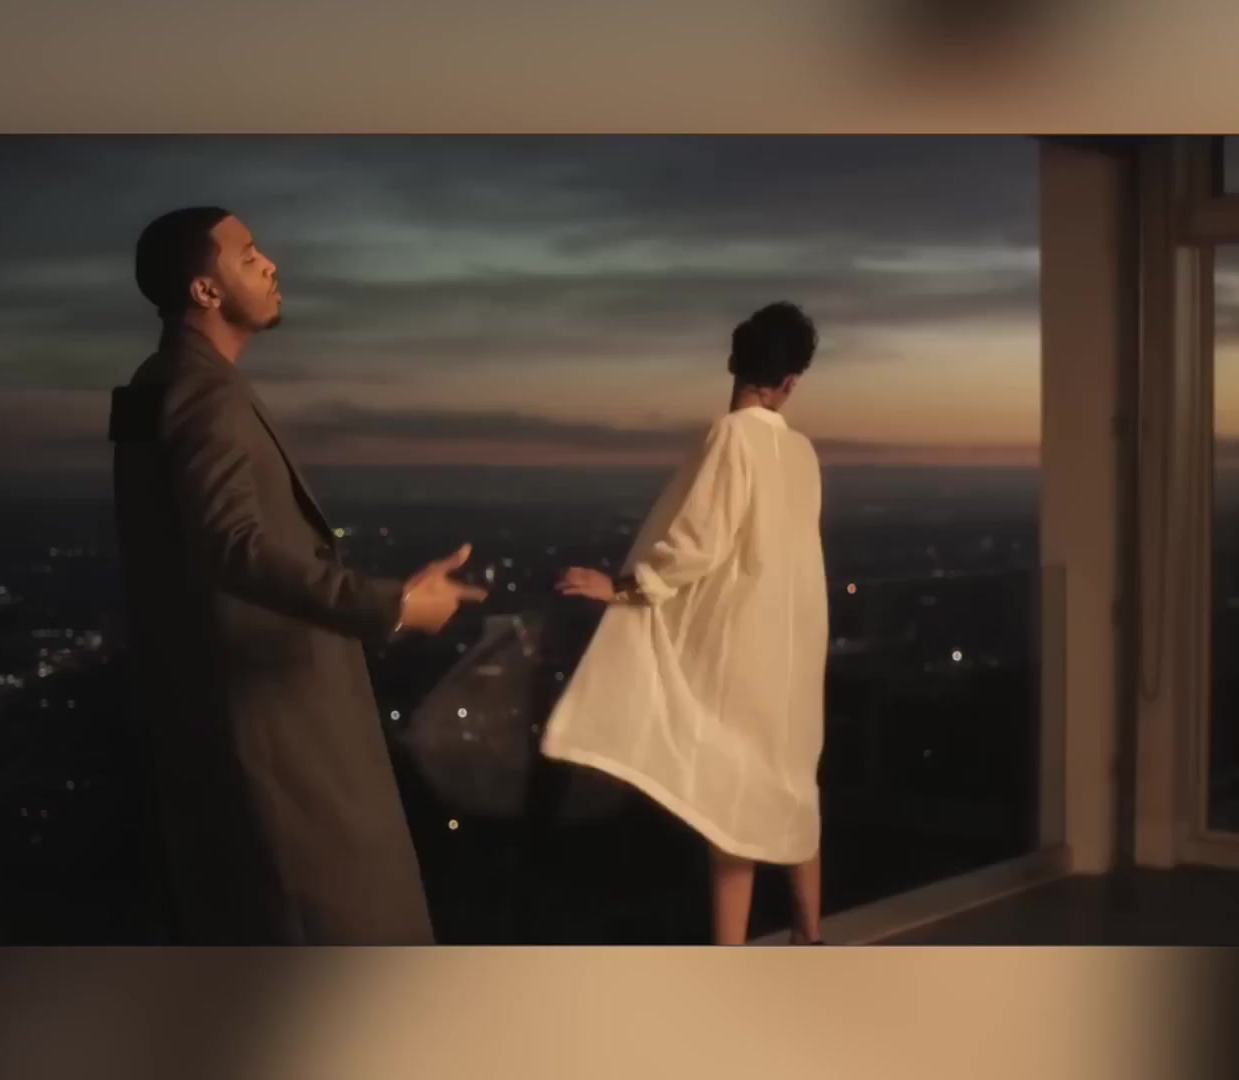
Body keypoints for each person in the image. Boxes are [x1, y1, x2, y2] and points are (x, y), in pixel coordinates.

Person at [107, 206, 487, 944]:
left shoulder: (162, 381)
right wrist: (393, 605)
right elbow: (231, 546)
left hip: (229, 714)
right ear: (205, 290)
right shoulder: (202, 391)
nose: (271, 264)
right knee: (334, 920)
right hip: (273, 720)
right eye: (248, 255)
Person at [539, 302, 830, 945]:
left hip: (745, 648)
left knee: (732, 812)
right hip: (797, 647)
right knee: (792, 788)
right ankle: (811, 939)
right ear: (789, 382)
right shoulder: (802, 453)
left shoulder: (731, 437)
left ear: (734, 362)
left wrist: (623, 586)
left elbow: (700, 543)